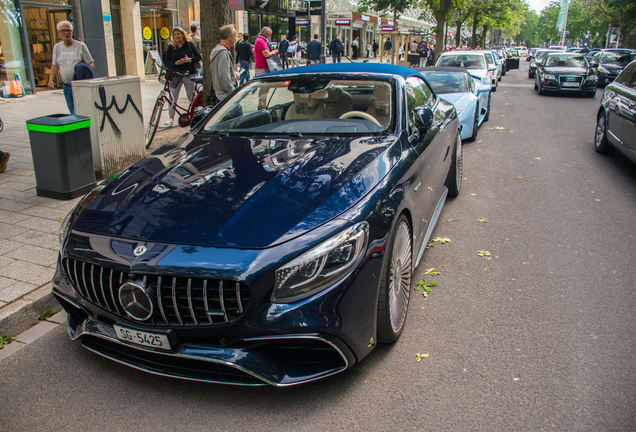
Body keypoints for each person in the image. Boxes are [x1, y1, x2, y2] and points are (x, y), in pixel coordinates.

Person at [48, 20, 94, 115]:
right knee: (72, 111)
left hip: (79, 86)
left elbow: (91, 64)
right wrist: (51, 80)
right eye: (63, 30)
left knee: (78, 112)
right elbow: (54, 65)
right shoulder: (57, 47)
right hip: (66, 86)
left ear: (72, 32)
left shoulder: (80, 46)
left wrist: (81, 68)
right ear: (59, 33)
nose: (66, 33)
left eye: (68, 30)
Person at [163, 26, 201, 126]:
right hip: (176, 74)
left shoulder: (189, 44)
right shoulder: (171, 47)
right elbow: (166, 62)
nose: (177, 36)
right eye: (175, 35)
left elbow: (198, 57)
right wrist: (176, 63)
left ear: (182, 34)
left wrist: (188, 60)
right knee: (173, 96)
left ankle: (194, 116)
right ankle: (171, 118)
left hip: (189, 73)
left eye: (178, 34)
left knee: (191, 96)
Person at [210, 24, 239, 102]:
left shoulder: (216, 50)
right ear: (229, 37)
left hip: (220, 95)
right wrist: (233, 92)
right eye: (235, 36)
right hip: (225, 96)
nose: (235, 39)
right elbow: (224, 77)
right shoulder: (223, 53)